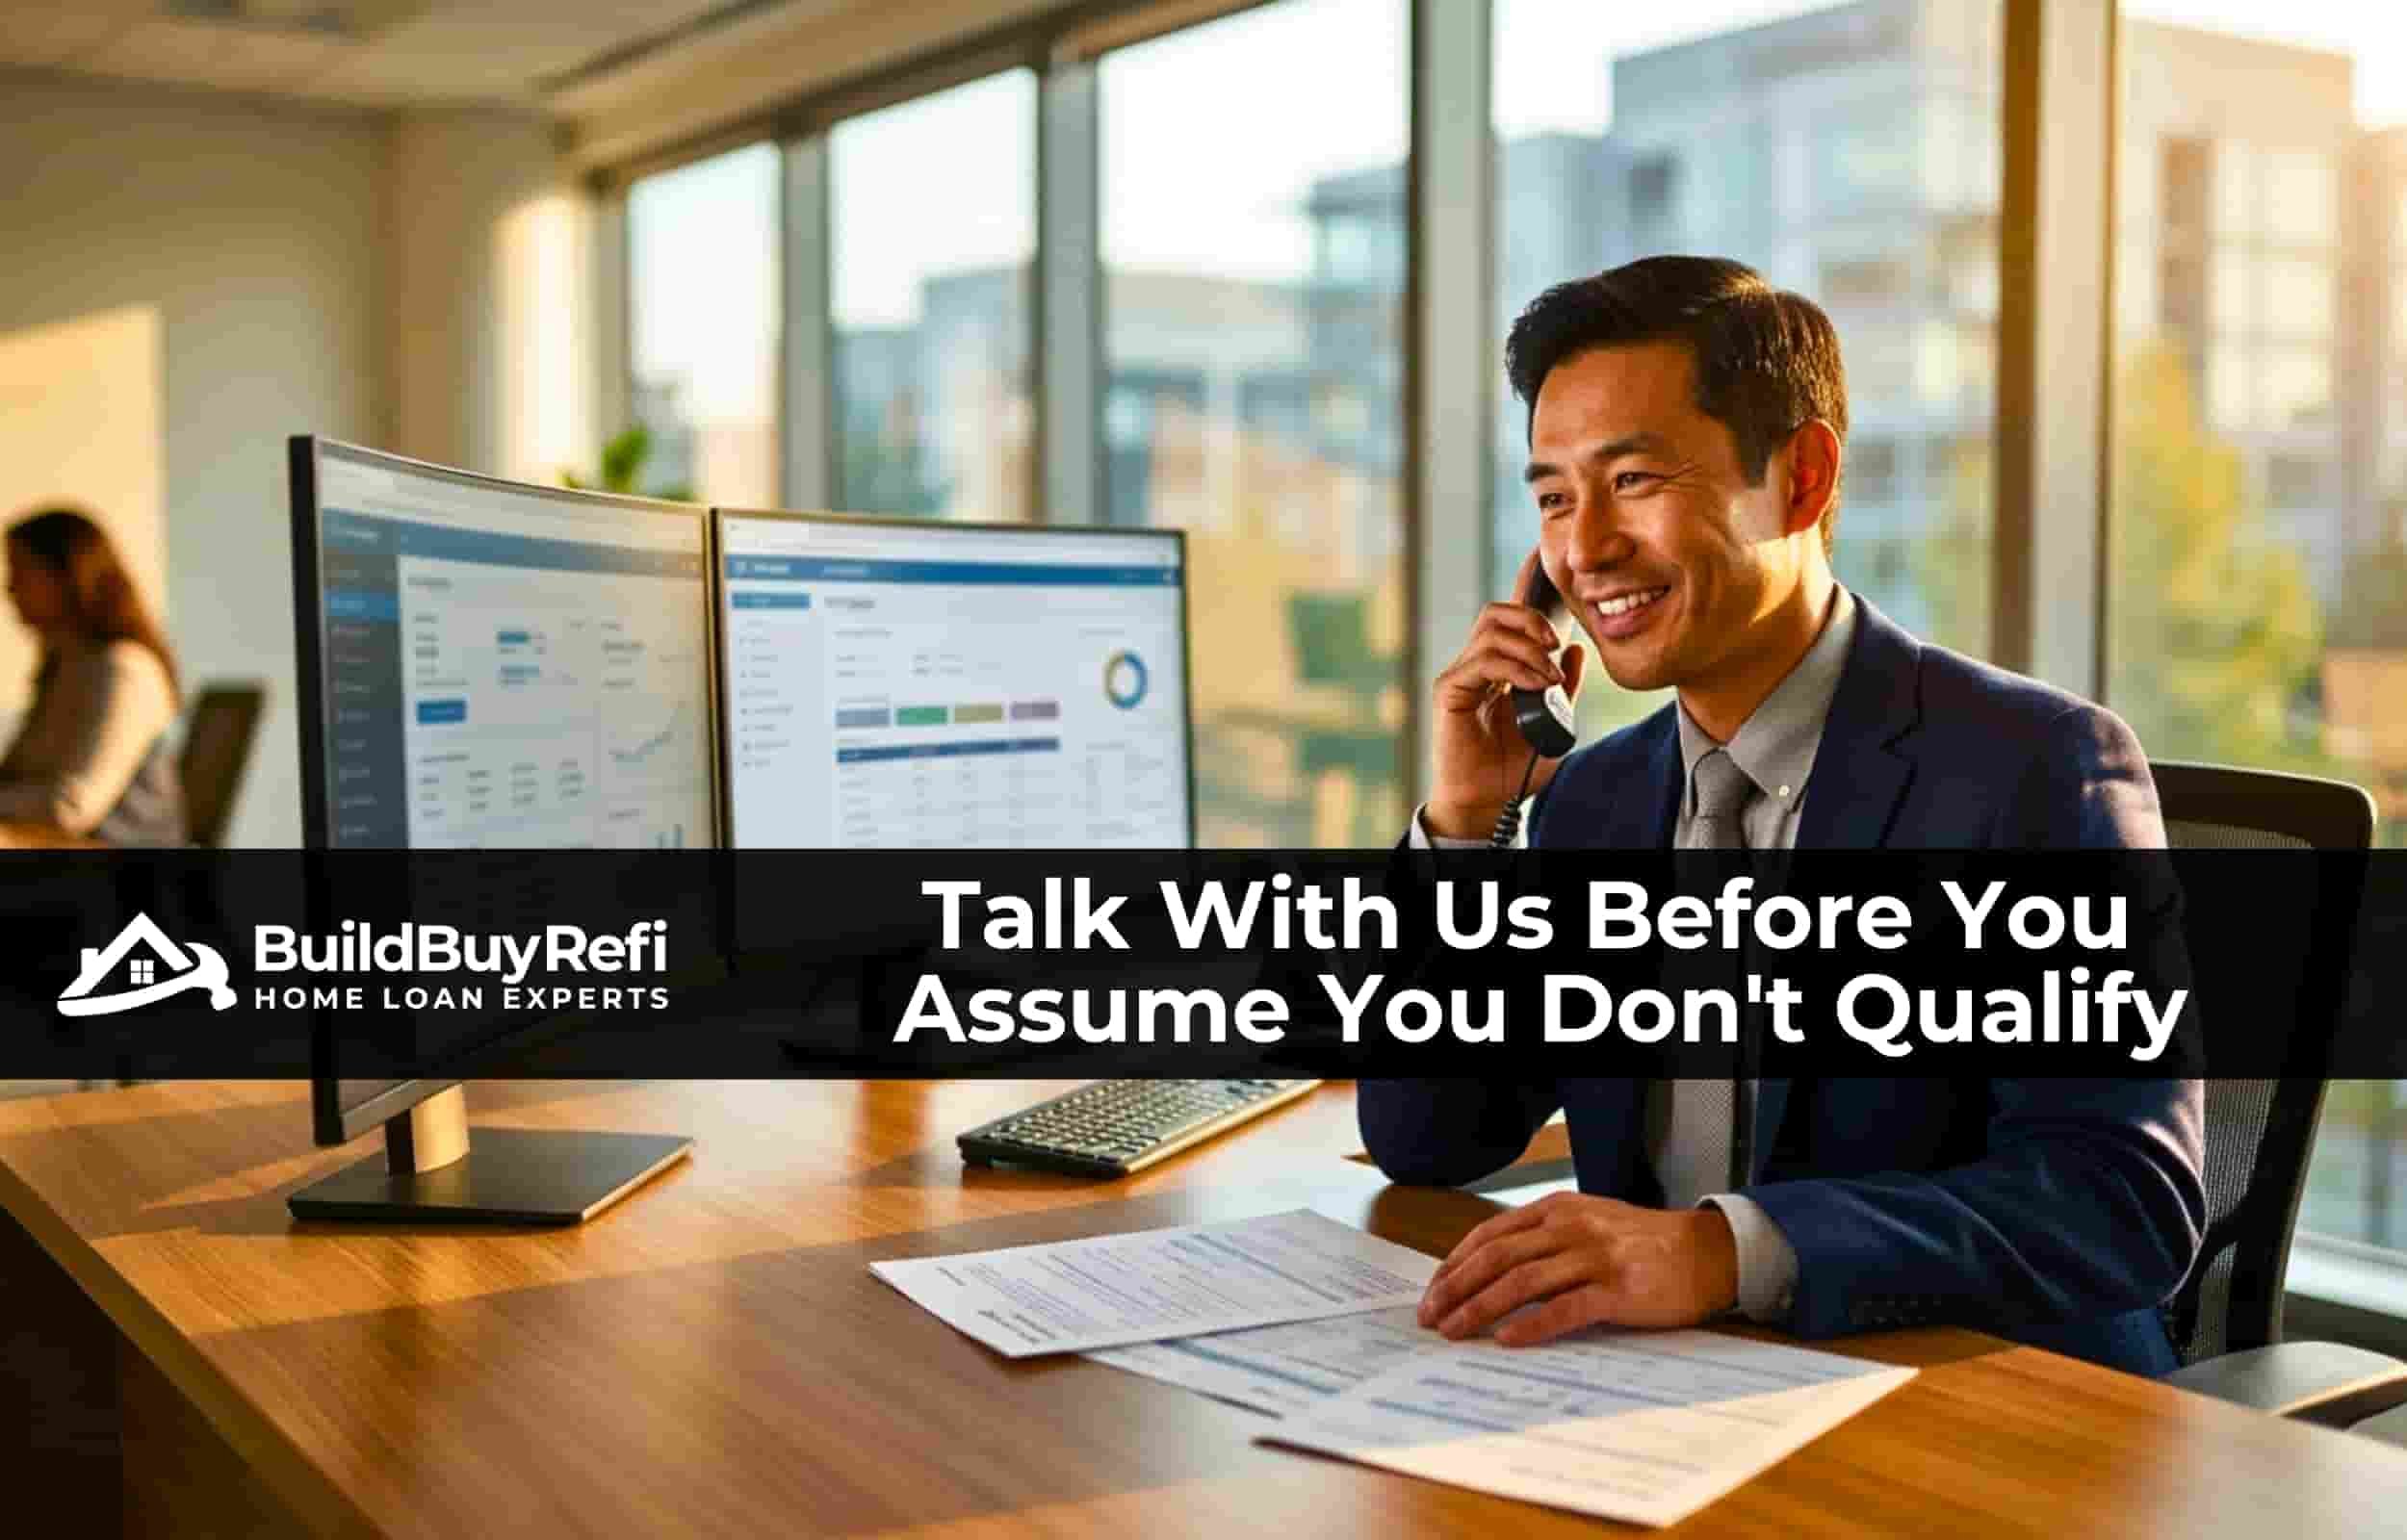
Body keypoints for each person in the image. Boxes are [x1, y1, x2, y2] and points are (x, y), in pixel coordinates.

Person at [1367, 255, 2205, 1376]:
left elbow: (2118, 1199)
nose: (1586, 550)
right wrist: (1465, 831)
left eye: (1634, 480)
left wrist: (1722, 1254)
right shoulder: (1596, 801)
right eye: (1555, 498)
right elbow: (1429, 1137)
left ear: (1802, 479)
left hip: (1971, 1407)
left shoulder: (2033, 769)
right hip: (1659, 1400)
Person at [0, 506, 186, 845]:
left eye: (20, 571)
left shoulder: (125, 670)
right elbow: (15, 776)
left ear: (67, 575)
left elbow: (72, 805)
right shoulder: (65, 669)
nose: (9, 589)